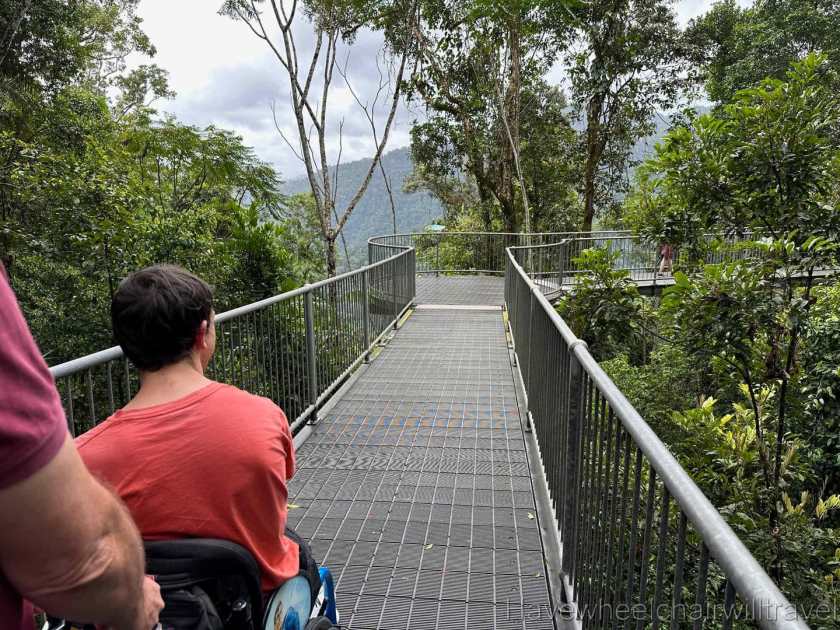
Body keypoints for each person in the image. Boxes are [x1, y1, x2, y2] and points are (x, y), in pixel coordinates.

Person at [75, 264, 319, 624]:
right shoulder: (262, 417)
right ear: (203, 334)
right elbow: (278, 483)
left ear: (127, 346)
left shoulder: (82, 460)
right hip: (256, 607)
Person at [0, 266, 163, 630]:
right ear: (203, 334)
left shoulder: (90, 450)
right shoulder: (262, 420)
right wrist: (136, 605)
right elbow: (79, 561)